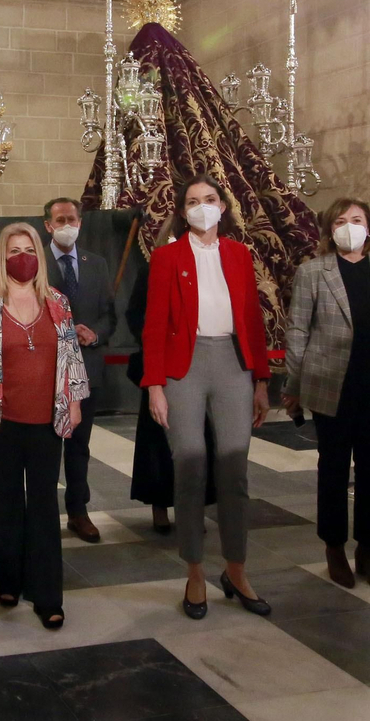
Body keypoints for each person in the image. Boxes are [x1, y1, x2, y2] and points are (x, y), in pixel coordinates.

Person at [142, 175, 271, 619]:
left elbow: (252, 318)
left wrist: (261, 379)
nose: (202, 207)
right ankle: (194, 570)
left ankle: (236, 569)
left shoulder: (238, 254)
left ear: (222, 205)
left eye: (210, 199)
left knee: (234, 468)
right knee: (190, 463)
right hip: (185, 366)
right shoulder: (166, 257)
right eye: (193, 201)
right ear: (182, 211)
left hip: (234, 364)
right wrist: (155, 385)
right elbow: (154, 324)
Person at [0, 223, 90, 628]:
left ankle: (48, 594)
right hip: (1, 418)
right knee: (9, 499)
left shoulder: (58, 301)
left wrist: (77, 401)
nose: (22, 257)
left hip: (49, 417)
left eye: (28, 249)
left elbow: (72, 357)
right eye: (13, 250)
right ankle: (9, 581)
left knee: (45, 502)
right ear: (1, 256)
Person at [283, 199, 370, 592]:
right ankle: (335, 547)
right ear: (329, 230)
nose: (349, 226)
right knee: (334, 468)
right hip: (330, 383)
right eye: (341, 221)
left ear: (369, 227)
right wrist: (294, 383)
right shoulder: (313, 272)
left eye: (356, 220)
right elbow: (298, 331)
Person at [125, 221, 216, 533]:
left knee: (199, 440)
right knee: (157, 440)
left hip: (199, 362)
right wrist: (158, 342)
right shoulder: (152, 269)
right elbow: (135, 313)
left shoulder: (209, 269)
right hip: (160, 366)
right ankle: (160, 506)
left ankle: (193, 507)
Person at [43, 198, 117, 543]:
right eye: (60, 219)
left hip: (85, 370)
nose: (67, 224)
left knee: (78, 446)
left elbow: (109, 315)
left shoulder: (96, 264)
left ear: (81, 222)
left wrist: (96, 333)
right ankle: (41, 512)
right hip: (44, 370)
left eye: (72, 218)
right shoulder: (35, 263)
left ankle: (78, 510)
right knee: (44, 447)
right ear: (48, 225)